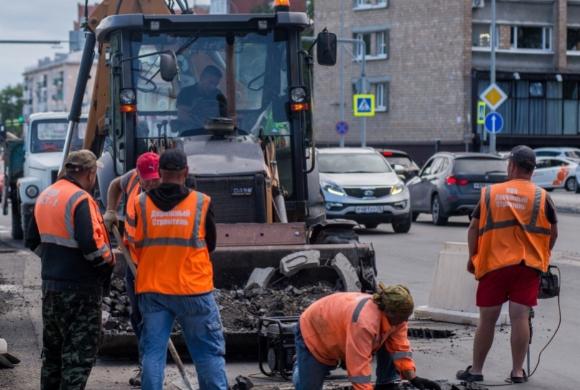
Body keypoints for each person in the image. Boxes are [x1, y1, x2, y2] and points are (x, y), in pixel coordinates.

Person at [457, 145, 558, 384]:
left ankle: (477, 370)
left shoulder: (491, 193)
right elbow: (552, 233)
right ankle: (517, 372)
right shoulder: (542, 196)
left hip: (494, 265)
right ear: (532, 170)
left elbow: (473, 228)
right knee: (520, 317)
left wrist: (473, 258)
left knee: (488, 319)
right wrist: (543, 255)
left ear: (511, 165)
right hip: (527, 266)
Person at [131, 148, 225, 390]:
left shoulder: (141, 203)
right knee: (207, 353)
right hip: (193, 290)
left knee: (152, 353)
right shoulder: (201, 202)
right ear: (186, 172)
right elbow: (211, 244)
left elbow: (136, 243)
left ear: (160, 172)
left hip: (153, 289)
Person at [25, 150, 115, 390]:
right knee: (77, 359)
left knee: (53, 358)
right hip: (81, 292)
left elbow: (31, 240)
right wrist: (108, 267)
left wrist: (56, 262)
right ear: (90, 172)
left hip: (51, 288)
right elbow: (92, 247)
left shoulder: (47, 195)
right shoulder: (80, 199)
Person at [293, 283, 441, 390]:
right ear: (388, 312)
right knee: (309, 386)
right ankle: (299, 366)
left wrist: (412, 377)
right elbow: (359, 370)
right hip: (316, 329)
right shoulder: (364, 323)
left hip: (342, 325)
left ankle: (387, 383)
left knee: (389, 342)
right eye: (402, 317)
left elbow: (399, 348)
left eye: (407, 317)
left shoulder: (398, 317)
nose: (405, 321)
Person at [103, 151, 161, 387]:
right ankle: (145, 367)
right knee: (137, 315)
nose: (150, 182)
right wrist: (110, 210)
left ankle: (152, 369)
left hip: (159, 265)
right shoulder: (132, 179)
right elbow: (115, 184)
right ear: (139, 173)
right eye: (146, 178)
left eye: (154, 178)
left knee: (155, 317)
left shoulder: (168, 192)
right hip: (133, 262)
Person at [175, 65, 228, 134]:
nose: (213, 87)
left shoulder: (218, 94)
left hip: (212, 135)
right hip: (189, 135)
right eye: (211, 82)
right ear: (202, 78)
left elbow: (224, 115)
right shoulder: (186, 93)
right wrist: (203, 123)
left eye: (216, 84)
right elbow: (182, 115)